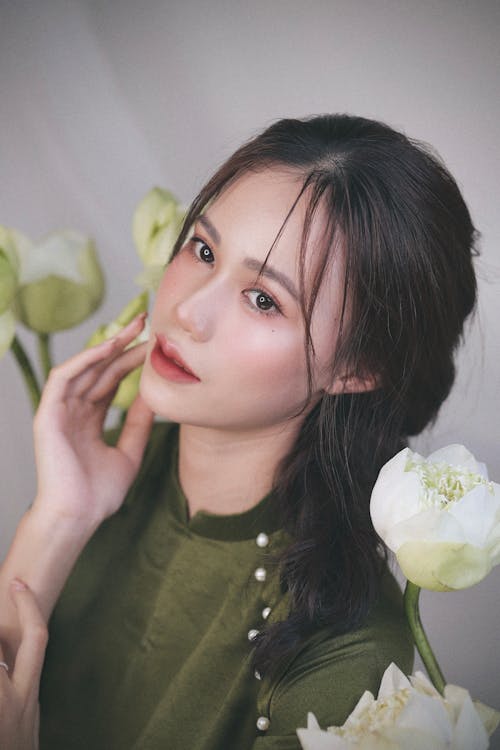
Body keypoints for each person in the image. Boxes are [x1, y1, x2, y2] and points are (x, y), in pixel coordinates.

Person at [0, 114, 477, 750]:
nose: (187, 311)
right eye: (203, 250)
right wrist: (61, 516)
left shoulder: (349, 664)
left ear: (359, 368)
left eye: (263, 299)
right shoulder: (114, 465)